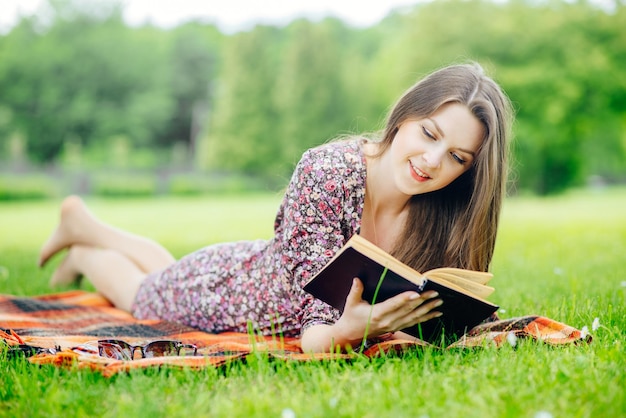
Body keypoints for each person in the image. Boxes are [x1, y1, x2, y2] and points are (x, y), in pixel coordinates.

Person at [38, 63, 513, 353]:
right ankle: (86, 250)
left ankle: (84, 225)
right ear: (405, 115)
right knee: (143, 293)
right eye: (429, 133)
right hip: (229, 291)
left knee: (163, 271)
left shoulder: (442, 211)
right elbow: (315, 339)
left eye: (457, 157)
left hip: (257, 265)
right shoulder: (328, 172)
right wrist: (351, 332)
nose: (433, 162)